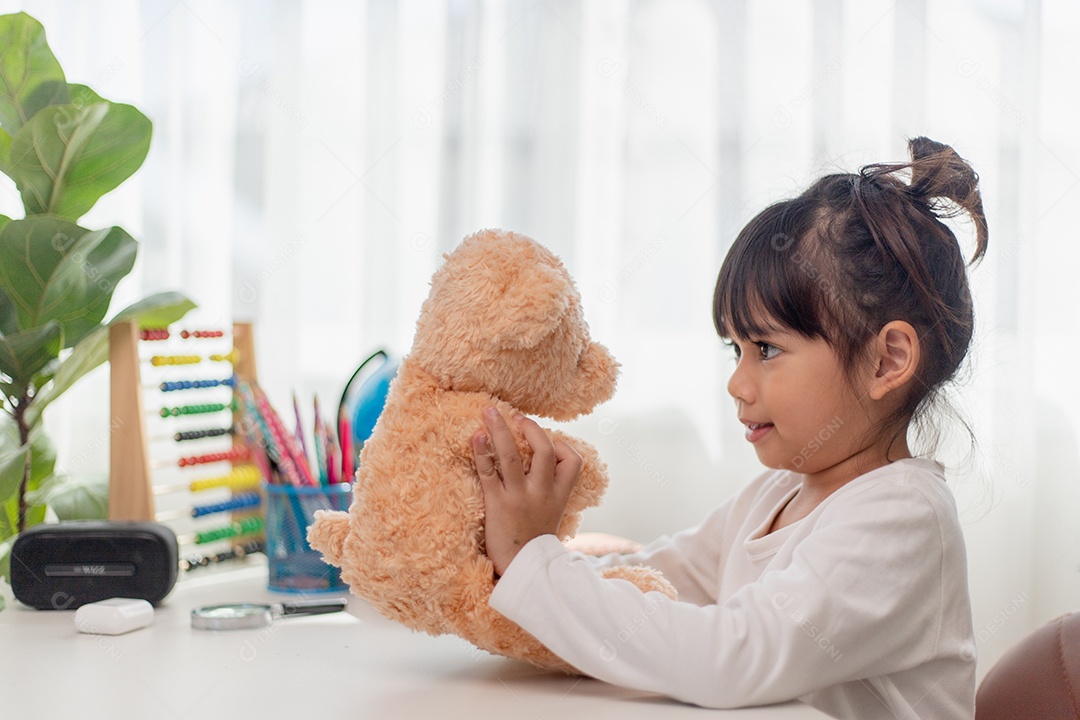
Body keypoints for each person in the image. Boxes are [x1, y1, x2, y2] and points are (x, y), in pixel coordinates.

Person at [470, 136, 987, 720]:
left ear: (887, 360)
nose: (737, 384)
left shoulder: (903, 518)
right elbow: (657, 580)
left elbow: (729, 658)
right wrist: (504, 565)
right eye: (734, 348)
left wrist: (535, 564)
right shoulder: (778, 492)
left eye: (766, 348)